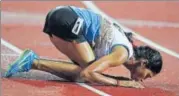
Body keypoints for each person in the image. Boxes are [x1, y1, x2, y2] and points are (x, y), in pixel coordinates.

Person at [5, 6, 162, 88]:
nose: (143, 80)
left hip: (58, 17)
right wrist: (120, 83)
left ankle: (32, 61)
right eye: (147, 75)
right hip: (67, 20)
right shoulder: (122, 53)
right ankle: (32, 62)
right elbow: (89, 72)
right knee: (88, 72)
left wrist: (111, 78)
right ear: (143, 63)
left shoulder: (122, 49)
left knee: (81, 74)